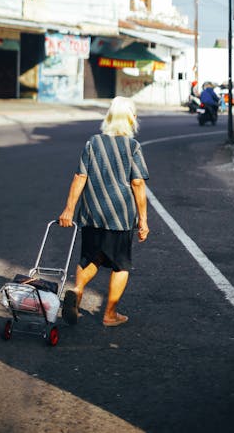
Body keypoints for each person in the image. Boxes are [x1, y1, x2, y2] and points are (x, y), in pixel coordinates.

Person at [58, 96, 150, 327]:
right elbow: (138, 183)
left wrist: (69, 209)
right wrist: (143, 220)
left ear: (108, 118)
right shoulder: (132, 147)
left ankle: (77, 290)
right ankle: (110, 314)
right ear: (132, 119)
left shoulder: (93, 142)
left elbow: (80, 176)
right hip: (119, 216)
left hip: (91, 213)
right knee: (120, 264)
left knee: (92, 257)